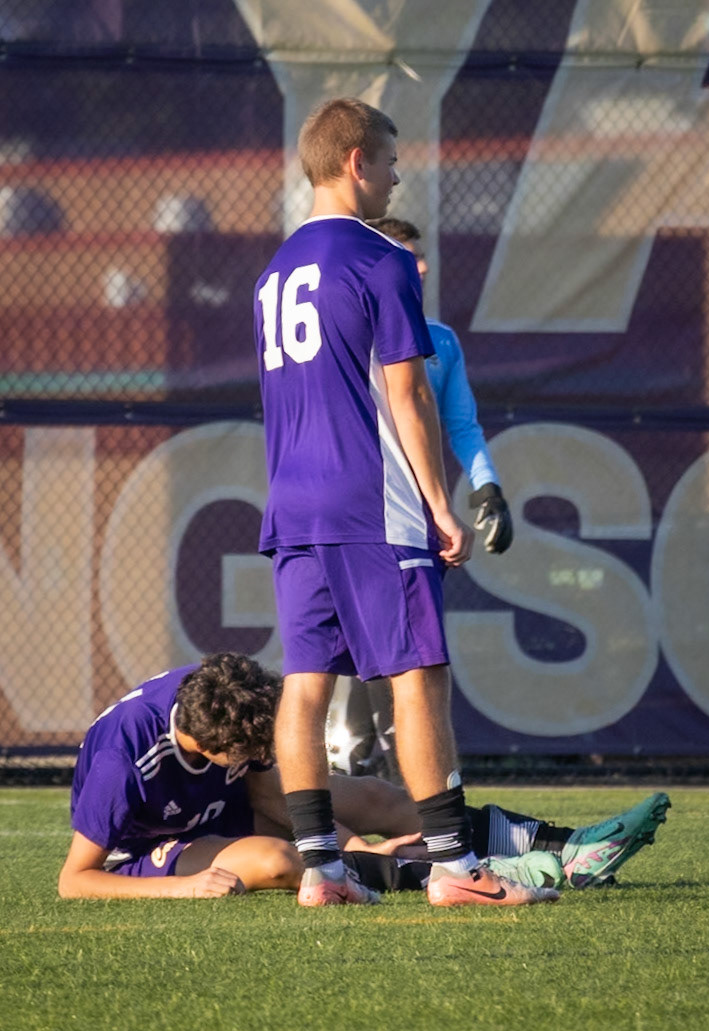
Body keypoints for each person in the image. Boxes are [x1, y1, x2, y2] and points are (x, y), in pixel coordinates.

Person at [252, 95, 558, 908]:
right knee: (420, 677)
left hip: (293, 504)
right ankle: (457, 868)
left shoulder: (273, 274)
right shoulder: (379, 260)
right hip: (370, 501)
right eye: (389, 161)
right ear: (356, 162)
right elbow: (409, 395)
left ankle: (321, 871)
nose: (395, 177)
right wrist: (439, 505)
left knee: (305, 685)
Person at [58, 653, 671, 899]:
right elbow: (74, 880)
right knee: (277, 861)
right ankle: (485, 872)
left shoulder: (220, 695)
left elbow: (274, 791)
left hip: (217, 803)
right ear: (216, 750)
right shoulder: (122, 763)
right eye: (253, 751)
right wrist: (178, 889)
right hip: (157, 845)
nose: (265, 754)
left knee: (381, 797)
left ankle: (566, 846)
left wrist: (355, 844)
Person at [328, 214, 511, 781]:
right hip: (364, 510)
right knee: (370, 645)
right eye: (409, 256)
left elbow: (462, 424)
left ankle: (397, 784)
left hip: (422, 516)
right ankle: (366, 766)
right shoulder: (348, 331)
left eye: (421, 256)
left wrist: (487, 487)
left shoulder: (442, 341)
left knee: (409, 649)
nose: (423, 266)